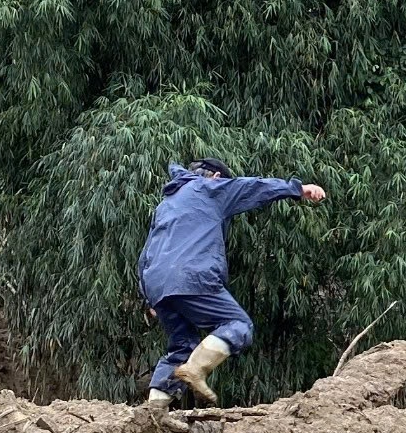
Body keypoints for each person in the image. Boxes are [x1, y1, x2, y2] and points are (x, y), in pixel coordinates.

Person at [138, 157, 326, 406]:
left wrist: (148, 295)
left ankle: (154, 413)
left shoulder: (166, 204)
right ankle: (195, 369)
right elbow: (252, 188)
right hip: (192, 275)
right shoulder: (211, 188)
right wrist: (296, 189)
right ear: (216, 177)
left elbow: (146, 253)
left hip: (157, 284)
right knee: (237, 324)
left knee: (181, 346)